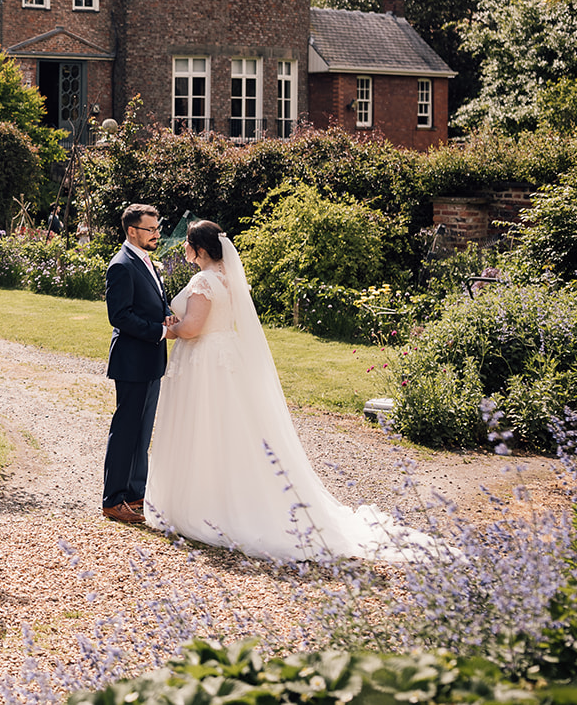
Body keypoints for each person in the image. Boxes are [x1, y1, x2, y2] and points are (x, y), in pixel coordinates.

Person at [145, 220, 432, 561]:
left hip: (206, 361)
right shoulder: (229, 278)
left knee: (204, 426)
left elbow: (193, 328)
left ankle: (205, 504)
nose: (184, 249)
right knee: (231, 428)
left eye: (188, 244)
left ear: (201, 250)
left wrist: (169, 329)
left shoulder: (204, 281)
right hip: (226, 358)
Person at [102, 203, 176, 524]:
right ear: (132, 231)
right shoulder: (121, 265)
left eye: (157, 228)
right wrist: (160, 330)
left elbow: (150, 303)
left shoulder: (145, 261)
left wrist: (165, 315)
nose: (156, 234)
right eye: (151, 229)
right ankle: (113, 499)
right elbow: (119, 316)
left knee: (143, 433)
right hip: (132, 361)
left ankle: (135, 494)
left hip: (151, 360)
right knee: (126, 430)